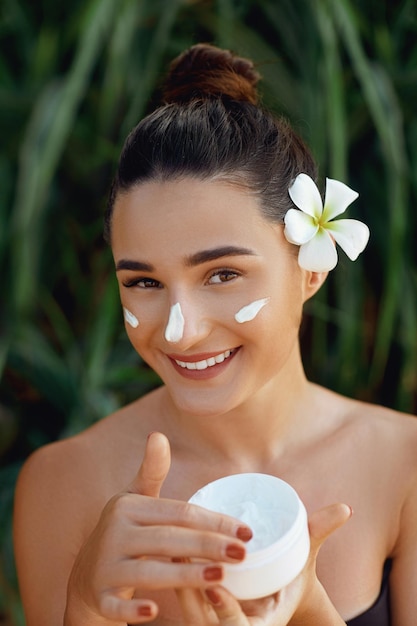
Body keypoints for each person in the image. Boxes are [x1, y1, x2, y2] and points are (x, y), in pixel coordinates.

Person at [13, 43, 417, 626]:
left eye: (222, 274)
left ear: (311, 266)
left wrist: (310, 613)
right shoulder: (63, 485)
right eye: (145, 282)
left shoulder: (402, 465)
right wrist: (85, 608)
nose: (182, 329)